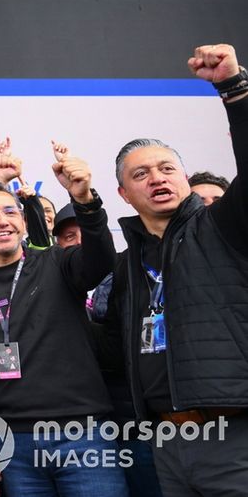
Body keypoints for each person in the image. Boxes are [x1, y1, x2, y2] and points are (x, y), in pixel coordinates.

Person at [104, 43, 248, 496]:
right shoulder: (129, 262)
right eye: (141, 174)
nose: (158, 178)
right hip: (167, 442)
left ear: (185, 178)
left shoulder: (222, 226)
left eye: (167, 168)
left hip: (233, 436)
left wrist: (234, 89)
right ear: (124, 193)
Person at [0, 148, 126, 497]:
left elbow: (102, 260)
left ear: (24, 222)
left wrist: (85, 201)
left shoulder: (59, 263)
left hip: (83, 436)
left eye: (10, 211)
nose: (1, 220)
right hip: (12, 444)